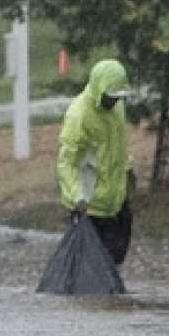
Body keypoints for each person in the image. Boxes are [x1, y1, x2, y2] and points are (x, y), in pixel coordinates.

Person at [56, 57, 135, 265]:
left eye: (118, 97)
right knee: (96, 265)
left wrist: (127, 171)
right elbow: (67, 162)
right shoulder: (79, 116)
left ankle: (107, 295)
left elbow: (116, 148)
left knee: (116, 258)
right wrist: (77, 197)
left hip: (116, 202)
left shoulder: (117, 109)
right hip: (89, 208)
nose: (114, 101)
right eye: (110, 97)